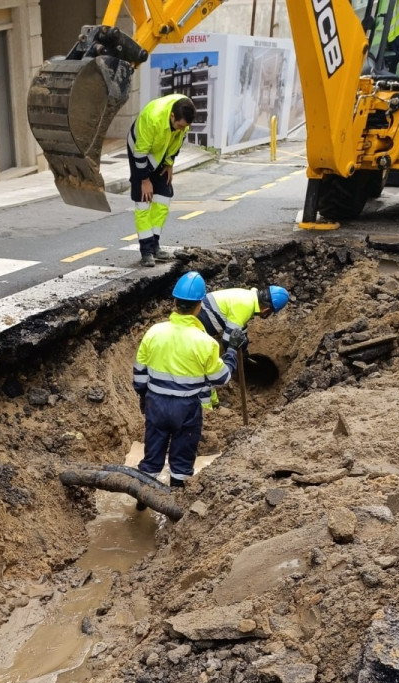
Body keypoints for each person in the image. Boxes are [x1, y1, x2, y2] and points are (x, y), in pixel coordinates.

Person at [133, 272, 236, 495]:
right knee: (182, 458)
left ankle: (141, 501)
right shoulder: (205, 342)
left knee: (152, 457)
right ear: (199, 306)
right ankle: (176, 502)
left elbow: (139, 374)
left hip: (156, 404)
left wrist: (143, 397)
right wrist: (232, 353)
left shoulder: (154, 332)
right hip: (187, 409)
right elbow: (221, 378)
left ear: (174, 303)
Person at [128, 94, 196, 267]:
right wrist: (144, 179)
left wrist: (169, 163)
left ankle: (155, 244)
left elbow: (176, 142)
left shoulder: (183, 117)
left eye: (185, 127)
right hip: (140, 152)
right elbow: (140, 152)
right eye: (180, 125)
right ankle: (146, 251)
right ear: (172, 116)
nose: (182, 129)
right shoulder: (152, 118)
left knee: (164, 197)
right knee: (144, 200)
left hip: (161, 153)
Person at [196, 284, 290, 406]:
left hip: (199, 317)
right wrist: (232, 355)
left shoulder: (249, 298)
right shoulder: (245, 306)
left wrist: (244, 349)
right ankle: (205, 408)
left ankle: (212, 402)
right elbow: (228, 340)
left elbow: (240, 327)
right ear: (266, 310)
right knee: (205, 369)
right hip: (197, 326)